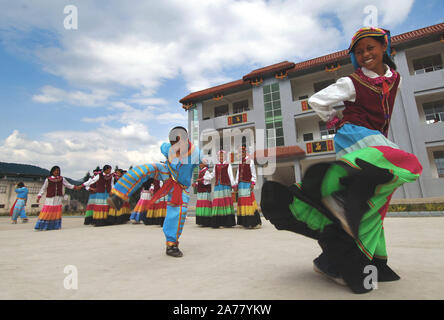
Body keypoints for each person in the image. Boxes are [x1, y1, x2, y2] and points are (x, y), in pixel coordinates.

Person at [260, 27, 422, 294]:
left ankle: (340, 262)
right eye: (359, 52)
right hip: (355, 136)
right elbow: (316, 100)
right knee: (408, 163)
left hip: (372, 141)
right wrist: (333, 120)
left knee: (373, 205)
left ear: (384, 48)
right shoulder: (352, 82)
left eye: (370, 48)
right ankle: (339, 196)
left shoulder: (397, 79)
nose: (365, 54)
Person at [108, 126, 203, 257]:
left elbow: (203, 162)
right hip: (168, 174)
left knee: (177, 213)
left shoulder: (196, 153)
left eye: (177, 142)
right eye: (172, 143)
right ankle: (118, 195)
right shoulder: (167, 148)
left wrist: (203, 164)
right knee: (148, 168)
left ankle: (171, 245)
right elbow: (162, 147)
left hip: (181, 187)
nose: (174, 146)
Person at [35, 166, 80, 230]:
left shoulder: (62, 179)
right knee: (48, 210)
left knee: (56, 212)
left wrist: (76, 187)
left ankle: (55, 226)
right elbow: (43, 188)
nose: (57, 172)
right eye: (55, 170)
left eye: (58, 171)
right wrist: (39, 196)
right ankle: (43, 226)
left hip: (58, 197)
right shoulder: (48, 179)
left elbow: (68, 185)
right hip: (50, 198)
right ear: (52, 171)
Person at [234, 146, 261, 229]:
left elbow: (253, 173)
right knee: (242, 202)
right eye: (240, 152)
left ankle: (252, 222)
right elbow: (238, 173)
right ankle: (244, 222)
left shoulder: (250, 161)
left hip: (247, 184)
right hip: (241, 185)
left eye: (242, 152)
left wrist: (253, 182)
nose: (241, 153)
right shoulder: (239, 162)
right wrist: (236, 184)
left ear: (245, 152)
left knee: (248, 202)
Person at [208, 150, 236, 228]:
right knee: (218, 203)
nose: (220, 157)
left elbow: (230, 175)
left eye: (222, 156)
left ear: (225, 157)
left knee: (225, 202)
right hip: (218, 186)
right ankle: (218, 222)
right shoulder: (216, 165)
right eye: (219, 156)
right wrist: (205, 177)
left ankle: (227, 222)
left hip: (225, 186)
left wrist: (233, 184)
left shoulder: (228, 165)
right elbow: (213, 174)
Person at [193, 162, 213, 227]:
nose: (200, 165)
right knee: (201, 205)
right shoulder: (201, 171)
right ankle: (202, 221)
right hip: (201, 191)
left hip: (205, 191)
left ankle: (206, 221)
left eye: (201, 163)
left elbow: (209, 179)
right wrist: (196, 184)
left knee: (205, 205)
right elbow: (202, 180)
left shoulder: (206, 171)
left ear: (205, 164)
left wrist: (201, 179)